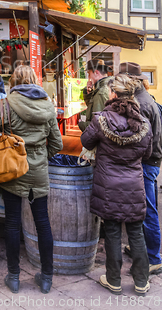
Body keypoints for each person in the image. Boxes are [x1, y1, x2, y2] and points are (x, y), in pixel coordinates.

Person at [0, 65, 63, 294]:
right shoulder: (48, 106)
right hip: (38, 172)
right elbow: (57, 144)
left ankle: (14, 277)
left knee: (12, 222)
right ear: (34, 79)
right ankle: (46, 277)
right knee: (42, 222)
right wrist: (38, 159)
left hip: (12, 170)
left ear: (14, 82)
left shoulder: (5, 105)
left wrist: (1, 153)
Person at [81, 74, 153, 296]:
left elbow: (85, 141)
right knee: (136, 232)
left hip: (108, 185)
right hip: (133, 185)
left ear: (113, 93)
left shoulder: (101, 119)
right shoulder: (143, 123)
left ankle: (113, 280)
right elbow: (147, 153)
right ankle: (141, 281)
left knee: (112, 231)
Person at [119, 62, 162, 276]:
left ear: (131, 81)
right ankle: (141, 248)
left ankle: (154, 258)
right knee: (143, 209)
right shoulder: (144, 98)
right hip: (150, 161)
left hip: (147, 163)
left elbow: (142, 141)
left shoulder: (141, 103)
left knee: (148, 211)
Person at [78, 59, 110, 132]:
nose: (89, 77)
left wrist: (81, 124)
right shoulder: (105, 87)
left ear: (96, 73)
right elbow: (93, 107)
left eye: (89, 73)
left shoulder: (101, 92)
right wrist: (88, 92)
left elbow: (97, 125)